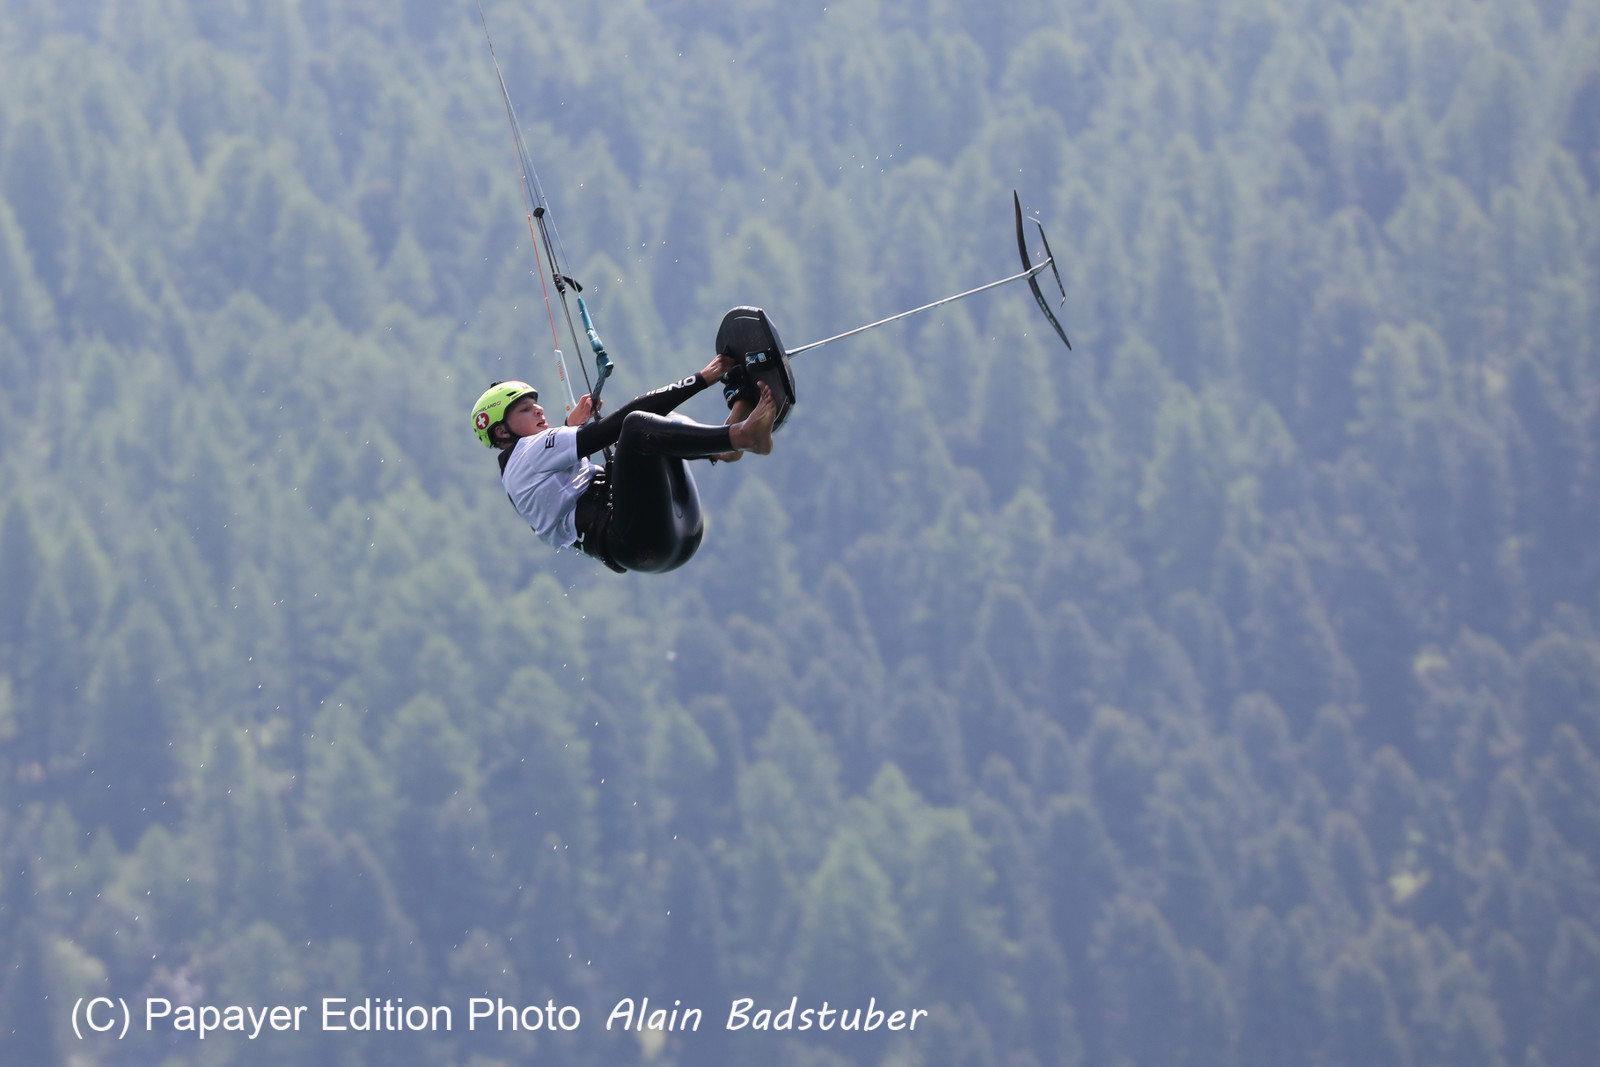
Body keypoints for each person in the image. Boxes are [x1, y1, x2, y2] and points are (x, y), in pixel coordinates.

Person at [472, 353, 777, 574]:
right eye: (525, 410)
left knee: (660, 426)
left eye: (536, 404)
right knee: (636, 427)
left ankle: (727, 442)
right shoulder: (529, 453)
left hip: (665, 543)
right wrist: (701, 379)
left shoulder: (516, 472)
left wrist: (569, 426)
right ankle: (741, 437)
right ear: (502, 431)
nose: (539, 410)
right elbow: (616, 426)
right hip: (641, 538)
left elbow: (557, 485)